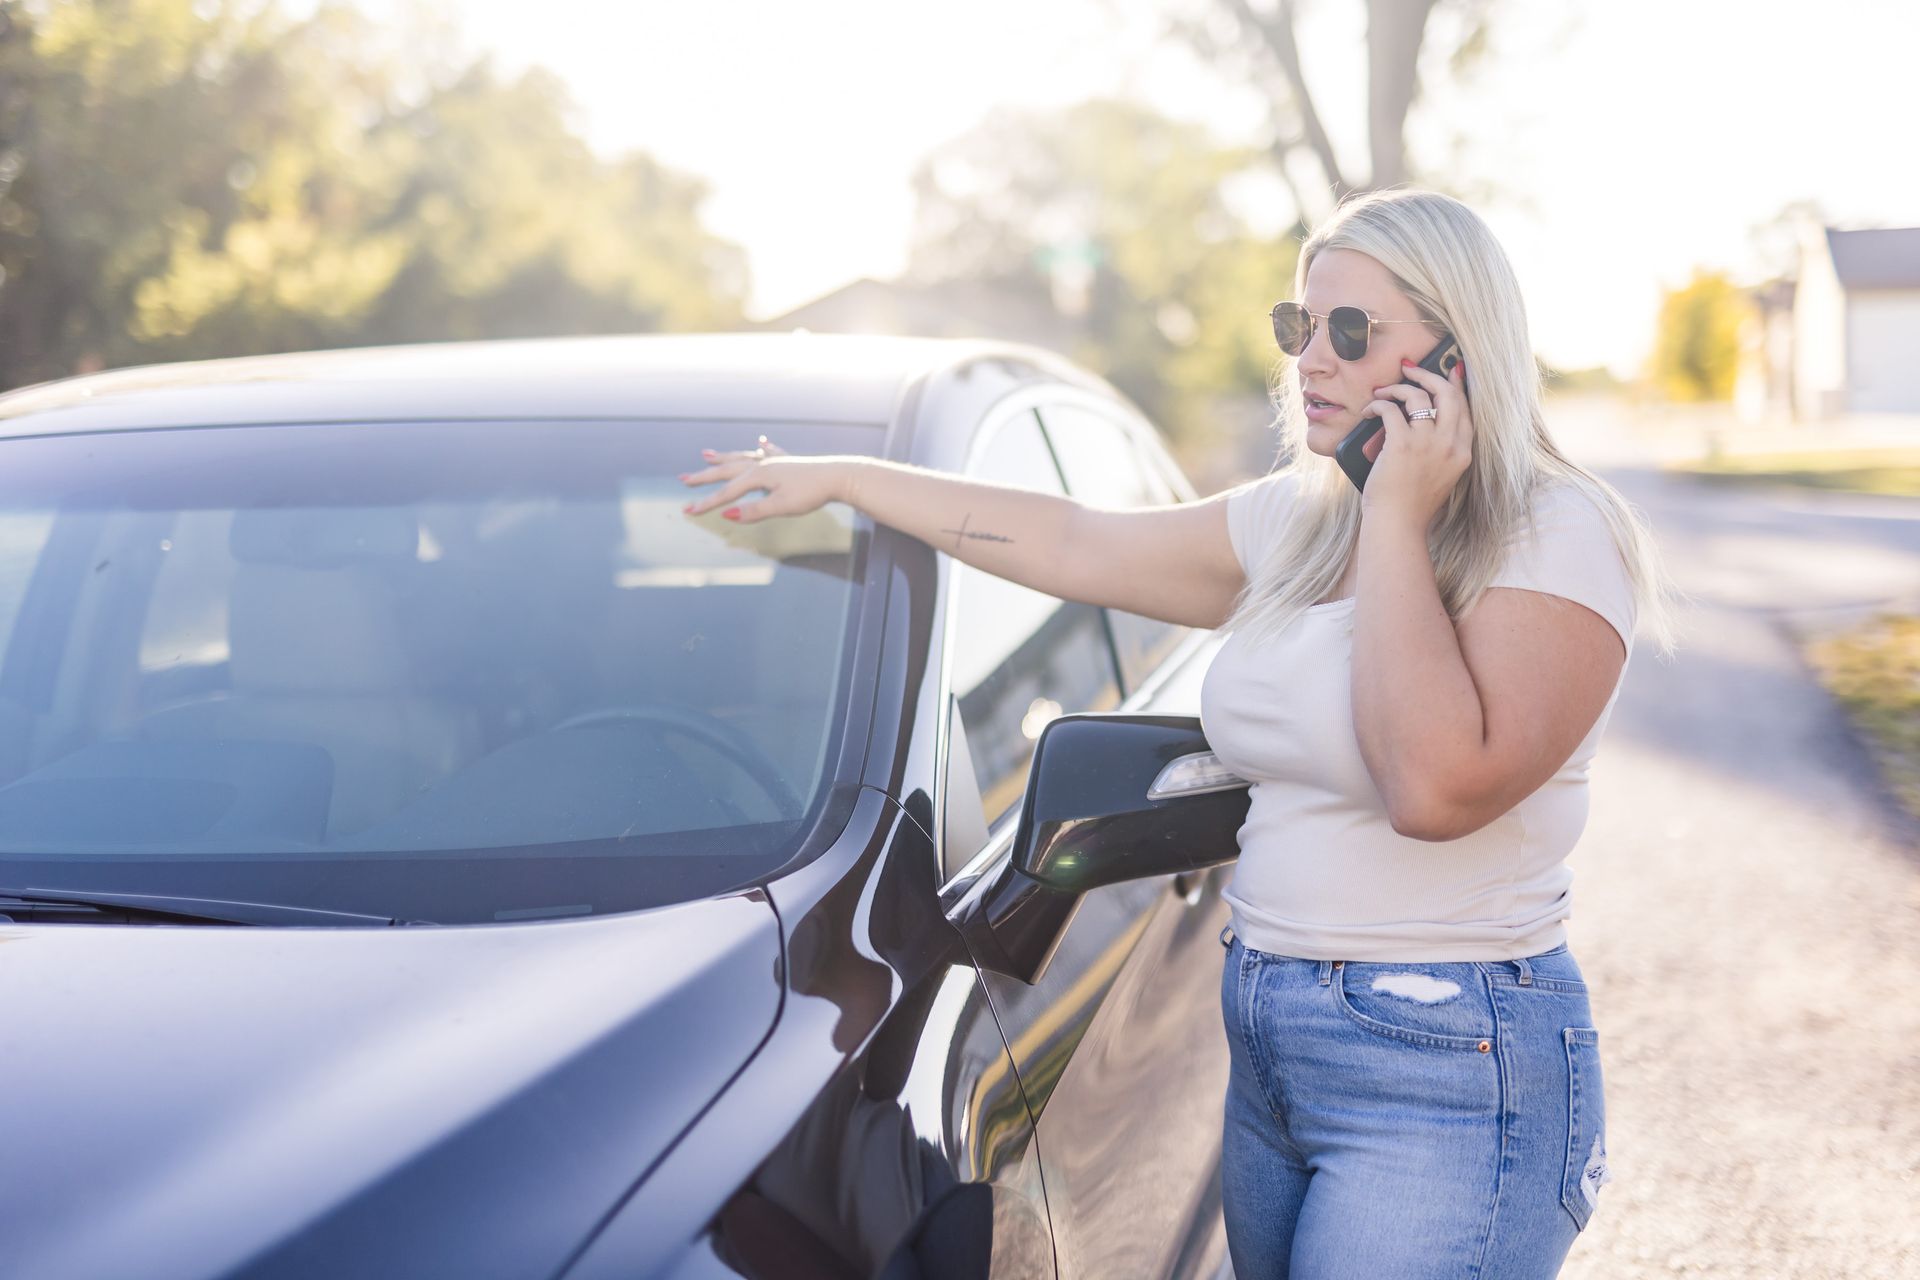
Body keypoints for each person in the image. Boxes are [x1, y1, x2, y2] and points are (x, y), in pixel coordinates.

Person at [680, 186, 1680, 1278]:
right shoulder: (1295, 521)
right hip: (1270, 1041)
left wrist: (1396, 513)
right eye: (1302, 326)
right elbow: (1070, 540)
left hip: (1447, 1062)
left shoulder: (1556, 531)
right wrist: (845, 478)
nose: (1314, 359)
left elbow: (1435, 785)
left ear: (1460, 355)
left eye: (1355, 332)